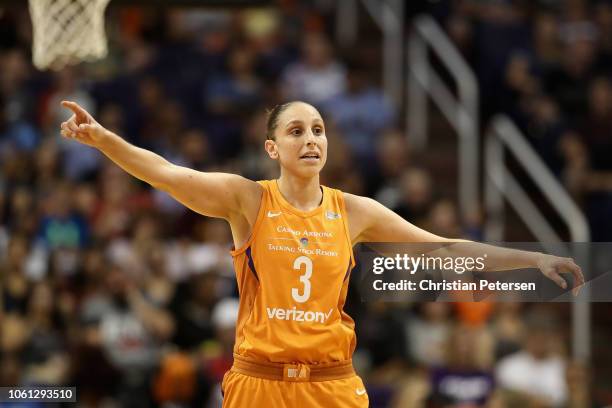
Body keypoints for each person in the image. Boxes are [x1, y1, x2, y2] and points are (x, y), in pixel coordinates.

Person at [59, 100, 584, 408]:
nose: (310, 139)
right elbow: (169, 174)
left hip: (331, 385)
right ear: (273, 148)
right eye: (295, 131)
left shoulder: (354, 211)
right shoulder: (248, 200)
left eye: (318, 130)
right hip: (259, 383)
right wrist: (105, 140)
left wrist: (531, 259)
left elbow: (444, 247)